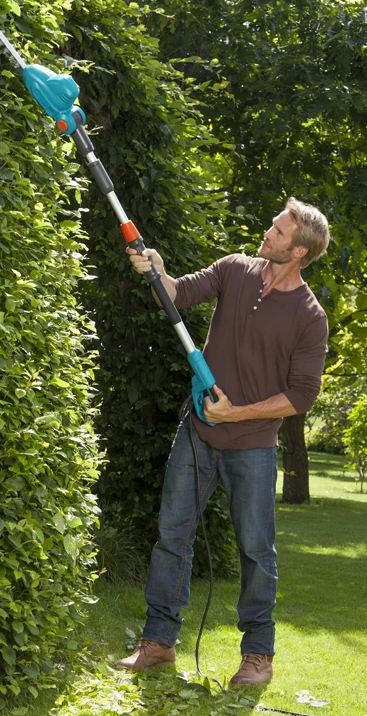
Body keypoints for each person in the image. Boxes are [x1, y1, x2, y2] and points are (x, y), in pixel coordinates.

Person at [114, 197, 330, 687]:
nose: (267, 233)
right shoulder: (235, 269)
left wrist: (236, 413)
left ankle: (258, 656)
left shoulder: (309, 316)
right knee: (172, 536)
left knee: (256, 551)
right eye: (272, 225)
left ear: (298, 251)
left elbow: (302, 396)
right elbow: (176, 295)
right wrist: (157, 271)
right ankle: (158, 643)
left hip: (253, 446)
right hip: (198, 433)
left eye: (278, 232)